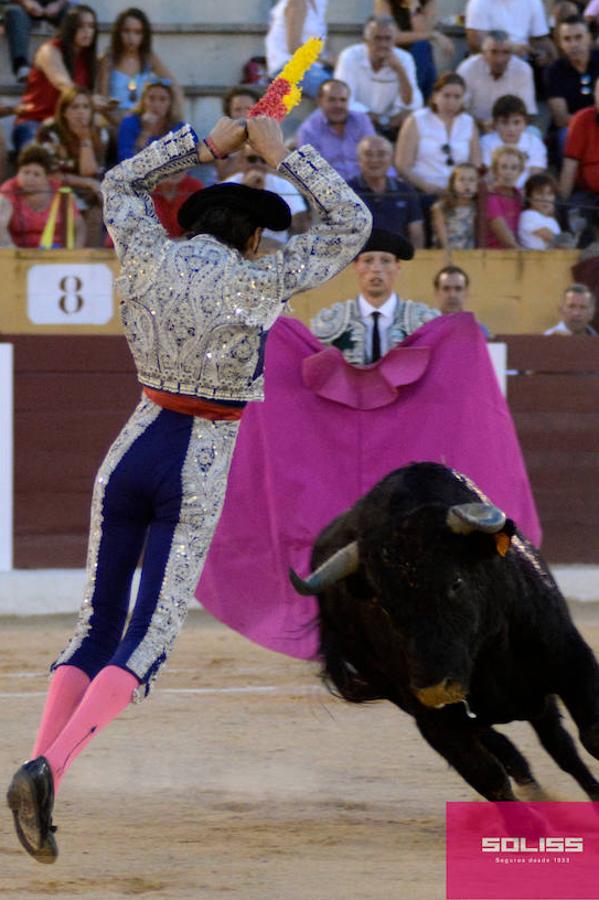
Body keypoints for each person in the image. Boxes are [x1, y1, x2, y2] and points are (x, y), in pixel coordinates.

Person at [5, 113, 372, 864]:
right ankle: (51, 768)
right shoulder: (261, 275)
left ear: (195, 223)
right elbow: (354, 221)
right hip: (194, 462)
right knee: (150, 631)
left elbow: (116, 180)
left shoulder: (144, 253)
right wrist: (286, 155)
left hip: (132, 446)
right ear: (247, 237)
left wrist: (207, 143)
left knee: (95, 623)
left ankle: (36, 766)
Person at [311, 227, 439, 365]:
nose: (376, 269)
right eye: (368, 260)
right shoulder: (331, 321)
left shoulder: (423, 322)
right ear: (355, 266)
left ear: (397, 267)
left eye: (385, 261)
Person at [12, 4, 107, 153]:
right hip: (35, 121)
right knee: (39, 156)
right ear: (70, 28)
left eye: (91, 26)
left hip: (67, 126)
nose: (87, 31)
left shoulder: (89, 60)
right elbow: (63, 84)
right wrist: (90, 99)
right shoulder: (49, 50)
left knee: (106, 137)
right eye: (80, 26)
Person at [37, 86, 110, 247]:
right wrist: (87, 183)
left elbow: (89, 171)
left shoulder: (99, 132)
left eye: (85, 107)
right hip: (57, 190)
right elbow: (50, 174)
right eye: (74, 106)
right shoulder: (49, 132)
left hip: (87, 194)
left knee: (98, 207)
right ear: (64, 111)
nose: (80, 112)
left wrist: (85, 139)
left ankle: (88, 261)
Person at [394, 72, 480, 206]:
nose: (451, 102)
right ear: (435, 96)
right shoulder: (417, 120)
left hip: (459, 193)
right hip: (423, 191)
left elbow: (475, 164)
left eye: (457, 97)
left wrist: (462, 187)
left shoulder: (468, 122)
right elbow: (402, 165)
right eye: (446, 96)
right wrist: (426, 186)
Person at [334, 16, 423, 141]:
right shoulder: (350, 56)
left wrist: (399, 70)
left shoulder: (404, 59)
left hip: (392, 126)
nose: (383, 44)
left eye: (388, 39)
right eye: (377, 38)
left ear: (395, 40)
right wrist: (379, 119)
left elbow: (410, 102)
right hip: (356, 122)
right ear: (365, 40)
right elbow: (344, 99)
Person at [97, 7, 184, 123]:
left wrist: (175, 113)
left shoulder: (149, 58)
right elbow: (104, 101)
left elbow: (174, 86)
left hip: (144, 121)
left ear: (144, 35)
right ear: (118, 33)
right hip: (114, 122)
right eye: (126, 31)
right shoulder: (108, 59)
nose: (131, 38)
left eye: (137, 32)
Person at [0, 143, 85, 248]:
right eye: (25, 172)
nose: (30, 178)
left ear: (48, 178)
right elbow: (0, 227)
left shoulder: (61, 192)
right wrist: (13, 253)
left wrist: (75, 255)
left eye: (36, 174)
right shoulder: (9, 190)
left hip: (57, 256)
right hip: (18, 254)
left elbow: (79, 228)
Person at [223, 144, 309, 245]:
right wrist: (245, 191)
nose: (258, 164)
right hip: (237, 246)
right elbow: (222, 223)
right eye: (252, 159)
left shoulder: (283, 186)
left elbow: (300, 225)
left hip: (274, 247)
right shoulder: (228, 185)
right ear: (241, 161)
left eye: (263, 160)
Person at [348, 134, 424, 248]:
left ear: (391, 159)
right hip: (357, 260)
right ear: (359, 160)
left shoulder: (405, 190)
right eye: (368, 154)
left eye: (381, 154)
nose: (374, 160)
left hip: (397, 260)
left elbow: (416, 233)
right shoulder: (345, 191)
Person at [373, 0, 455, 101]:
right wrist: (433, 35)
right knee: (423, 51)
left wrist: (414, 7)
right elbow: (392, 37)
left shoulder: (428, 2)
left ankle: (418, 101)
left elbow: (423, 33)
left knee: (422, 47)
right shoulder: (384, 2)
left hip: (418, 54)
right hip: (392, 53)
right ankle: (419, 101)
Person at [295, 79, 376, 182]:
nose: (338, 105)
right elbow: (311, 173)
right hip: (333, 190)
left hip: (367, 185)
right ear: (320, 101)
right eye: (332, 100)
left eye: (343, 100)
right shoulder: (308, 130)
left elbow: (374, 156)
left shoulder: (361, 120)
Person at [457, 30, 537, 131]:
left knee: (534, 133)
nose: (500, 59)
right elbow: (458, 109)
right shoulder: (467, 69)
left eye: (506, 52)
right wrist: (480, 124)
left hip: (511, 128)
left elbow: (529, 113)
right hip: (475, 127)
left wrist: (504, 125)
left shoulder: (523, 70)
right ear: (483, 53)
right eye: (493, 52)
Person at [545, 16, 599, 154]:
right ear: (560, 43)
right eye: (567, 39)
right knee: (566, 135)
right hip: (573, 129)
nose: (573, 44)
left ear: (589, 38)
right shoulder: (554, 71)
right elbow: (561, 119)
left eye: (578, 37)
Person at [265, 0, 332, 98]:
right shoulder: (297, 2)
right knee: (333, 91)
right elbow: (293, 47)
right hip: (289, 66)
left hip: (312, 66)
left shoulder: (319, 3)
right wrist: (327, 60)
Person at [479, 95, 547, 189]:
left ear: (525, 123)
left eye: (517, 122)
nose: (511, 129)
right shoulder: (486, 142)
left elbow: (535, 176)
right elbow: (490, 174)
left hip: (525, 194)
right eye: (504, 123)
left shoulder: (534, 143)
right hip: (497, 192)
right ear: (495, 123)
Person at [559, 76, 599, 232]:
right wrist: (562, 203)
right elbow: (570, 167)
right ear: (595, 94)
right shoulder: (582, 119)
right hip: (586, 194)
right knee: (573, 217)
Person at [465, 0, 557, 66]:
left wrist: (546, 55)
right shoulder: (479, 2)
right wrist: (511, 49)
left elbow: (540, 39)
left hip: (524, 62)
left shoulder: (533, 2)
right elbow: (476, 44)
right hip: (489, 60)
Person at [3, 0, 70, 83]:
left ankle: (71, 63)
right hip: (23, 6)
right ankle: (22, 67)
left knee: (73, 13)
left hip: (55, 5)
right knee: (15, 12)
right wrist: (25, 2)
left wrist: (58, 4)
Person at [117, 80, 183, 162]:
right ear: (143, 101)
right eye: (151, 98)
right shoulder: (129, 123)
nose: (156, 104)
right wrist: (145, 132)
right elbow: (126, 160)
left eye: (162, 99)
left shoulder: (179, 126)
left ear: (170, 103)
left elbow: (187, 158)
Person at [482, 145, 525, 249]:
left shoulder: (521, 195)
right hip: (496, 257)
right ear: (495, 171)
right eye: (504, 167)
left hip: (519, 254)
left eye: (514, 168)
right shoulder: (490, 197)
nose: (508, 172)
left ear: (520, 172)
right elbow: (507, 241)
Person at [433, 264, 491, 336]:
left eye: (458, 289)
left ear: (466, 292)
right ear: (437, 292)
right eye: (446, 289)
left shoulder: (479, 331)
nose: (452, 295)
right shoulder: (428, 330)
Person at [431, 163, 478, 249]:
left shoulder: (477, 208)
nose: (466, 184)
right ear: (453, 183)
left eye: (471, 180)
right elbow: (443, 241)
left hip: (471, 256)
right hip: (446, 255)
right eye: (461, 180)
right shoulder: (441, 207)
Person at [151, 171, 205, 238]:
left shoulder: (195, 186)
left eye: (181, 166)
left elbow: (200, 225)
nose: (176, 171)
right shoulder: (147, 189)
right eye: (171, 166)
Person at [518, 173, 563, 250]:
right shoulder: (529, 215)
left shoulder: (551, 220)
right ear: (529, 197)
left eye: (549, 194)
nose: (545, 198)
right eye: (540, 193)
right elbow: (550, 237)